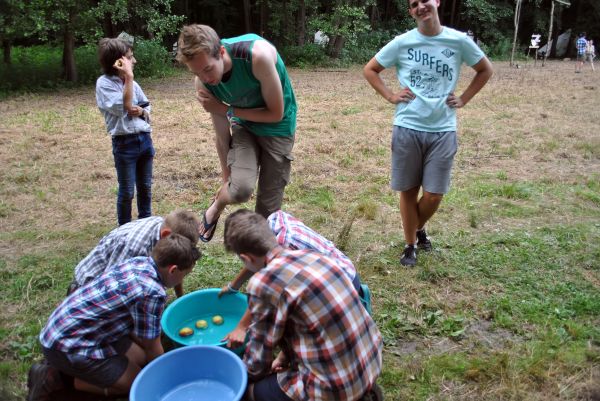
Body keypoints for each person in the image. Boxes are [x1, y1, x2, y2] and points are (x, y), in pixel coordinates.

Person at [363, 0, 493, 267]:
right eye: (413, 5)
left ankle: (415, 229)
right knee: (408, 191)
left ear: (436, 2)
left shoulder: (458, 41)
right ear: (411, 12)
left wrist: (465, 98)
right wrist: (390, 95)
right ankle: (410, 244)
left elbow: (484, 69)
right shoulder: (402, 42)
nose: (420, 7)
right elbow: (370, 69)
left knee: (434, 194)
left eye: (424, 1)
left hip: (443, 129)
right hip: (408, 126)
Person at [223, 210, 383, 401]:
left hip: (334, 388)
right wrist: (284, 357)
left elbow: (257, 362)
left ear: (247, 259)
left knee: (248, 392)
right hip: (371, 360)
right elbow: (314, 320)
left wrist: (240, 375)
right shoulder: (317, 257)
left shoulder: (263, 283)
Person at [27, 234, 202, 401]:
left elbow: (141, 336)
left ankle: (79, 368)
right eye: (184, 275)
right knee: (137, 382)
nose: (183, 279)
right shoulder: (152, 292)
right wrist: (169, 379)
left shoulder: (140, 262)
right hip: (67, 345)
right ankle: (55, 378)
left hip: (73, 327)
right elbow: (152, 346)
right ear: (172, 270)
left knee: (140, 359)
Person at [175, 24, 297, 243]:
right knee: (239, 189)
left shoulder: (256, 57)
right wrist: (225, 180)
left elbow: (275, 113)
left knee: (267, 213)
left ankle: (258, 267)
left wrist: (225, 109)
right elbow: (222, 137)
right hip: (245, 126)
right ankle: (217, 205)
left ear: (221, 52)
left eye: (208, 69)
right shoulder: (203, 83)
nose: (205, 77)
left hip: (278, 127)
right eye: (197, 72)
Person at [220, 209, 372, 349]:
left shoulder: (286, 254)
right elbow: (255, 259)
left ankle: (355, 300)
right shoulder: (273, 223)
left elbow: (266, 292)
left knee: (286, 315)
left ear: (246, 257)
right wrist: (234, 285)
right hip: (342, 267)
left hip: (342, 285)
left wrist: (241, 327)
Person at [70, 209, 200, 297]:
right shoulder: (135, 247)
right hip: (88, 290)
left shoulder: (167, 231)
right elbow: (112, 287)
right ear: (166, 234)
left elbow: (179, 263)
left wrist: (180, 298)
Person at [96, 36, 155, 226]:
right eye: (130, 57)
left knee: (145, 187)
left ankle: (144, 225)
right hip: (125, 144)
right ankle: (124, 229)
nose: (134, 61)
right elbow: (124, 106)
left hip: (144, 140)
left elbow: (145, 106)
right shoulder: (104, 84)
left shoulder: (134, 85)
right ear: (119, 62)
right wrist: (128, 77)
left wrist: (143, 111)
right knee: (128, 191)